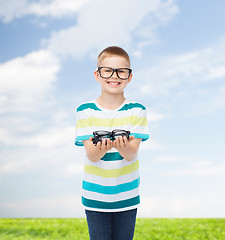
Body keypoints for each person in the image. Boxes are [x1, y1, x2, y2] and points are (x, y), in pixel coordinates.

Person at [74, 46, 149, 240]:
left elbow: (132, 154)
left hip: (127, 196)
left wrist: (122, 146)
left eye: (121, 71)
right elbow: (91, 154)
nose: (114, 76)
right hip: (95, 197)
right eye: (107, 70)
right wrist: (105, 147)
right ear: (97, 75)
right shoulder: (85, 110)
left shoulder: (137, 110)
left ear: (129, 76)